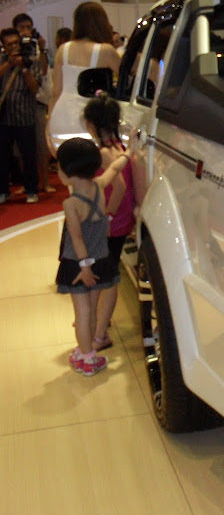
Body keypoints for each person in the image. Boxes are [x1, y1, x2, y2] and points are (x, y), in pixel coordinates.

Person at [56, 137, 131, 375]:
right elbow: (114, 168)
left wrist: (84, 266)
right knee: (92, 309)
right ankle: (85, 350)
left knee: (82, 312)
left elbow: (76, 238)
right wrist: (128, 153)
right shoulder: (98, 186)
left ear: (68, 173)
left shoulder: (71, 203)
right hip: (100, 259)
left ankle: (87, 357)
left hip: (79, 265)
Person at [82, 93, 136, 350]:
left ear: (93, 124)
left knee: (107, 276)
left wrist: (108, 217)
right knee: (107, 270)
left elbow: (120, 187)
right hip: (121, 221)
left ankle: (100, 333)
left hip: (112, 223)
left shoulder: (104, 152)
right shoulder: (119, 148)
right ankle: (98, 322)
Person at [48, 2, 120, 155]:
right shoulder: (106, 51)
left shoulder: (63, 49)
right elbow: (128, 79)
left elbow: (55, 92)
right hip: (91, 121)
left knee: (68, 166)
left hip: (61, 117)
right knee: (96, 165)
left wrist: (48, 125)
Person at [0, 28, 42, 204]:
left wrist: (23, 68)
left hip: (25, 116)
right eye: (9, 44)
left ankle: (31, 190)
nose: (14, 47)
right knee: (2, 157)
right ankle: (3, 191)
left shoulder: (31, 60)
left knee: (29, 156)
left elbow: (35, 89)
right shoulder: (2, 60)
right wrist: (9, 64)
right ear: (3, 46)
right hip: (3, 118)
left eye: (16, 43)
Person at [14, 14, 55, 194]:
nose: (25, 31)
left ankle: (45, 181)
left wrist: (42, 47)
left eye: (28, 27)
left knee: (40, 144)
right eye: (21, 27)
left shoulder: (37, 48)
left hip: (37, 102)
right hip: (17, 105)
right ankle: (26, 183)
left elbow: (44, 71)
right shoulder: (11, 48)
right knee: (20, 148)